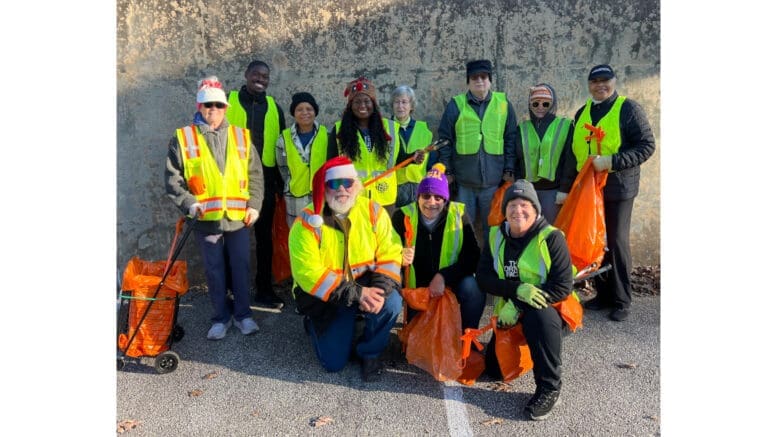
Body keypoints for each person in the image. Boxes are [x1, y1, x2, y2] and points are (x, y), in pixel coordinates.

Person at [289, 156, 403, 382]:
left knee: (391, 303)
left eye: (347, 182)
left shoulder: (374, 211)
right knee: (333, 364)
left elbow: (391, 252)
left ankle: (370, 352)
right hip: (328, 296)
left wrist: (378, 290)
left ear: (357, 185)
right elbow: (308, 274)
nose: (341, 189)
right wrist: (358, 294)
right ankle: (316, 324)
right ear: (324, 187)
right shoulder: (306, 222)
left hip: (366, 285)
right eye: (333, 183)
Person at [164, 77, 263, 340]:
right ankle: (220, 317)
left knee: (241, 267)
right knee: (214, 269)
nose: (213, 110)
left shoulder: (241, 136)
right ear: (199, 106)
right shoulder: (183, 138)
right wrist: (189, 203)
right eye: (208, 105)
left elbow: (255, 174)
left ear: (226, 108)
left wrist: (254, 205)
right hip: (205, 219)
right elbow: (173, 180)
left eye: (218, 105)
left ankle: (243, 315)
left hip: (238, 217)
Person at [476, 180, 575, 420]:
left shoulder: (552, 238)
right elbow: (483, 278)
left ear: (536, 209)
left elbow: (562, 286)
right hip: (509, 312)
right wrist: (517, 290)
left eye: (524, 204)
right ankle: (525, 348)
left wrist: (519, 302)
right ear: (505, 210)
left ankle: (549, 387)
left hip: (550, 309)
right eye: (511, 204)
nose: (517, 210)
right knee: (495, 371)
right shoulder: (495, 235)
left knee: (539, 317)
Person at [572, 64, 656, 322]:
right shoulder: (582, 113)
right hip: (590, 191)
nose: (600, 85)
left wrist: (613, 161)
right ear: (589, 85)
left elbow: (646, 146)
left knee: (617, 243)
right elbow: (571, 152)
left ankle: (622, 300)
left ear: (614, 81)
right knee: (597, 242)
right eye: (595, 81)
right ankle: (603, 295)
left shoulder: (628, 109)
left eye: (605, 80)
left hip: (619, 188)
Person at [391, 163, 484, 330]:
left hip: (449, 283)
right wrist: (399, 255)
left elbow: (473, 257)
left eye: (438, 197)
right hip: (416, 287)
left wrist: (443, 276)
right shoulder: (401, 216)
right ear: (418, 197)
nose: (431, 202)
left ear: (445, 199)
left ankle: (468, 340)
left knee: (473, 288)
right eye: (425, 196)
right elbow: (384, 251)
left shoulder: (459, 215)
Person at [225, 60, 287, 309]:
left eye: (265, 75)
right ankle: (232, 291)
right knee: (233, 240)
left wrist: (280, 186)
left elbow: (283, 149)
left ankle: (264, 289)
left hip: (266, 185)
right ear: (246, 74)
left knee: (265, 240)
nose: (260, 78)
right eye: (256, 74)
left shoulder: (274, 108)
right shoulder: (227, 103)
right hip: (232, 184)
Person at [437, 59, 518, 244]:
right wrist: (447, 170)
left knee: (495, 228)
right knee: (464, 228)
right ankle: (468, 267)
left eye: (483, 77)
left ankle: (492, 266)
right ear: (468, 81)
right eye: (474, 77)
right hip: (464, 182)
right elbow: (445, 140)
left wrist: (509, 169)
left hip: (493, 181)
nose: (479, 81)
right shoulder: (456, 105)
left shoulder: (503, 103)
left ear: (490, 80)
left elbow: (511, 139)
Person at [328, 77, 402, 215]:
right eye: (357, 101)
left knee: (383, 236)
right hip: (352, 198)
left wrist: (415, 156)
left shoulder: (390, 128)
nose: (362, 105)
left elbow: (401, 158)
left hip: (384, 198)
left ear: (373, 104)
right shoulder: (339, 130)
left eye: (367, 101)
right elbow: (331, 166)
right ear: (350, 105)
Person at [515, 83, 576, 225]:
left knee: (550, 232)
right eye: (535, 103)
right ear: (530, 106)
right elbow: (516, 159)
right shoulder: (522, 128)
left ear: (553, 104)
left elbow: (570, 160)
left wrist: (564, 189)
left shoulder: (566, 125)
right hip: (528, 191)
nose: (540, 107)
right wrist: (519, 186)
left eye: (546, 103)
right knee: (528, 231)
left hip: (553, 192)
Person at [275, 92, 329, 226]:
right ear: (294, 113)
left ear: (315, 112)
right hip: (294, 198)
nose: (305, 113)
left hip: (321, 196)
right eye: (299, 109)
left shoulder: (327, 135)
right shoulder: (284, 138)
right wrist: (291, 185)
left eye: (309, 109)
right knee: (297, 234)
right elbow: (282, 169)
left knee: (321, 235)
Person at [390, 85, 431, 208]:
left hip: (418, 184)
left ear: (411, 106)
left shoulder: (424, 130)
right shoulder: (385, 128)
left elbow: (431, 161)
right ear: (392, 105)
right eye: (396, 102)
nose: (400, 106)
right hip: (393, 185)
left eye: (404, 102)